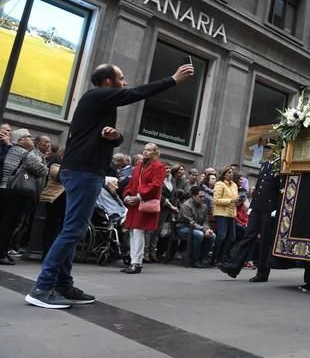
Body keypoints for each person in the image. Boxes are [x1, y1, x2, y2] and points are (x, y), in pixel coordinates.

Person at [25, 62, 193, 309]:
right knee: (73, 230)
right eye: (121, 78)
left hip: (83, 170)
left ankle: (62, 284)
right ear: (107, 82)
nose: (124, 82)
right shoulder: (97, 95)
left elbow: (112, 135)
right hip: (84, 171)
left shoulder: (100, 104)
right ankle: (42, 287)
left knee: (73, 229)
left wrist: (116, 137)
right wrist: (173, 79)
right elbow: (135, 94)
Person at [220, 139, 281, 282]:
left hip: (269, 209)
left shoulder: (279, 166)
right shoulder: (265, 165)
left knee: (265, 240)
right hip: (258, 207)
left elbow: (281, 189)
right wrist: (252, 205)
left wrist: (276, 208)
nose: (267, 152)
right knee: (248, 236)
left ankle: (262, 273)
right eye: (266, 149)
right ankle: (233, 267)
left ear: (276, 151)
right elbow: (259, 185)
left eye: (270, 149)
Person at [0, 129, 48, 265]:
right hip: (18, 192)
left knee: (5, 222)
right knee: (10, 224)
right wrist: (43, 160)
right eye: (28, 137)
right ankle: (1, 253)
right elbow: (42, 170)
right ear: (20, 140)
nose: (31, 139)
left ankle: (3, 252)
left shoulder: (11, 150)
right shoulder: (24, 153)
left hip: (6, 189)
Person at [121, 143, 166, 274]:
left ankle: (136, 263)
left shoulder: (158, 166)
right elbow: (131, 183)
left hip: (144, 202)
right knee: (132, 231)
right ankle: (133, 261)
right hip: (135, 203)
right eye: (145, 149)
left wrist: (139, 196)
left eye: (149, 150)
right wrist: (127, 195)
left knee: (138, 231)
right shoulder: (139, 166)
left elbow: (155, 185)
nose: (145, 152)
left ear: (155, 153)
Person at [177, 185, 216, 267]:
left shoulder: (204, 206)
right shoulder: (186, 205)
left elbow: (205, 221)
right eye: (200, 196)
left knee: (212, 236)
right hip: (184, 228)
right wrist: (203, 230)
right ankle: (194, 260)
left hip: (197, 228)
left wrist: (207, 229)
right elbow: (191, 222)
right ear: (194, 196)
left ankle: (201, 259)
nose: (202, 199)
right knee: (199, 234)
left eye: (203, 197)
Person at [211, 166, 239, 266]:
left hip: (231, 213)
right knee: (222, 235)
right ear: (224, 174)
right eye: (229, 172)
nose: (231, 174)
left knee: (232, 237)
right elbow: (216, 200)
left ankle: (223, 257)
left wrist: (238, 201)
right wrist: (231, 201)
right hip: (221, 212)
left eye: (232, 172)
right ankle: (214, 257)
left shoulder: (234, 185)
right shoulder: (219, 184)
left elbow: (235, 199)